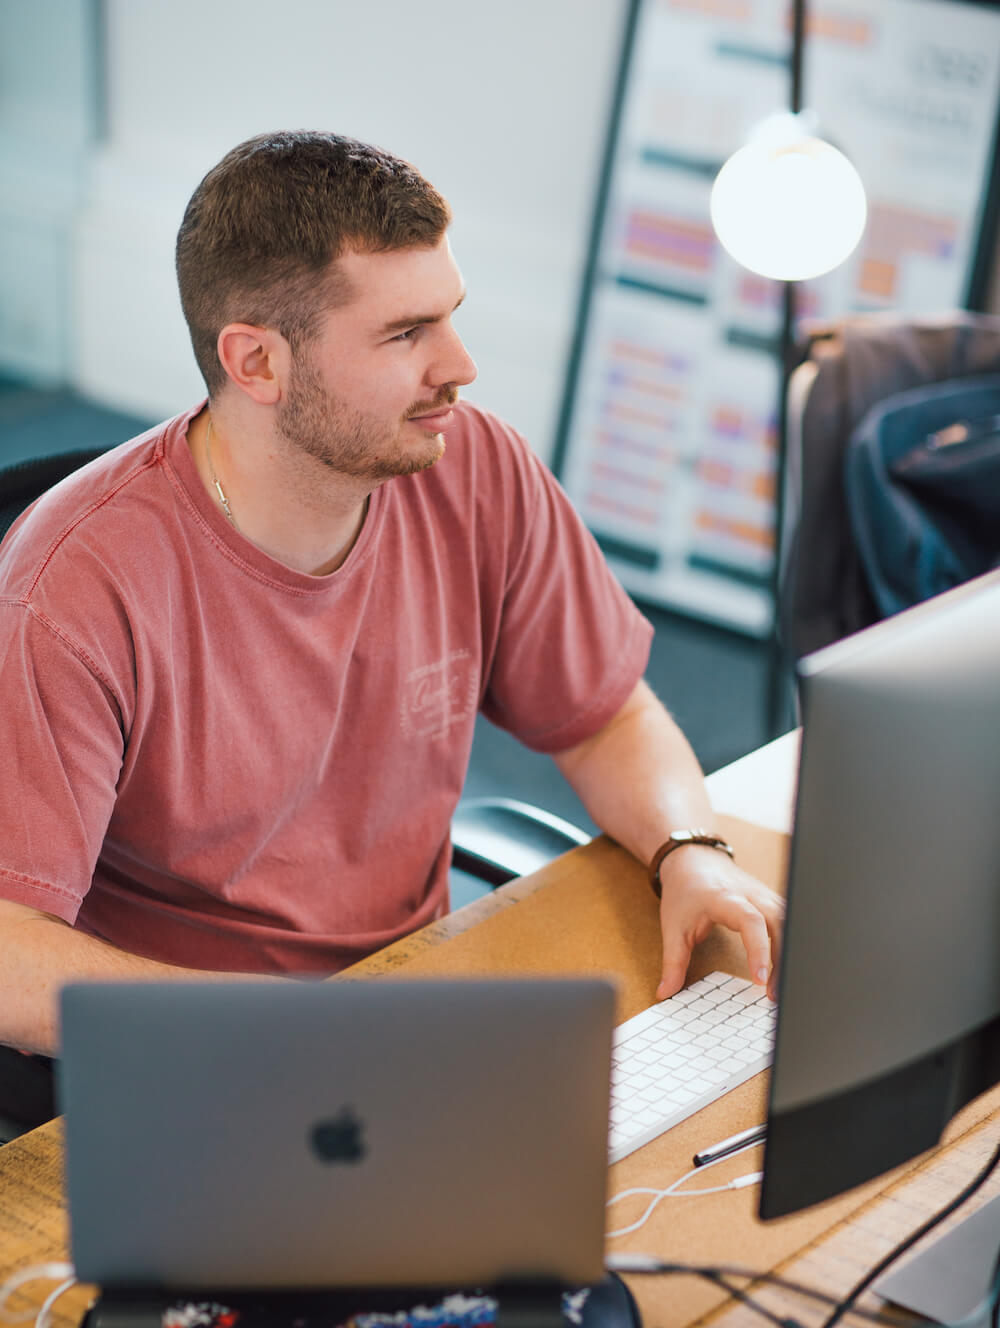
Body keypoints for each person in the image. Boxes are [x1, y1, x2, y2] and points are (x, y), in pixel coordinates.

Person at [0, 130, 783, 1062]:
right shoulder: (72, 592)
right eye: (406, 334)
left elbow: (602, 716)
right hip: (214, 1053)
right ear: (256, 364)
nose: (460, 364)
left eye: (448, 315)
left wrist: (689, 849)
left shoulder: (472, 462)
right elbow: (9, 954)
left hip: (419, 988)